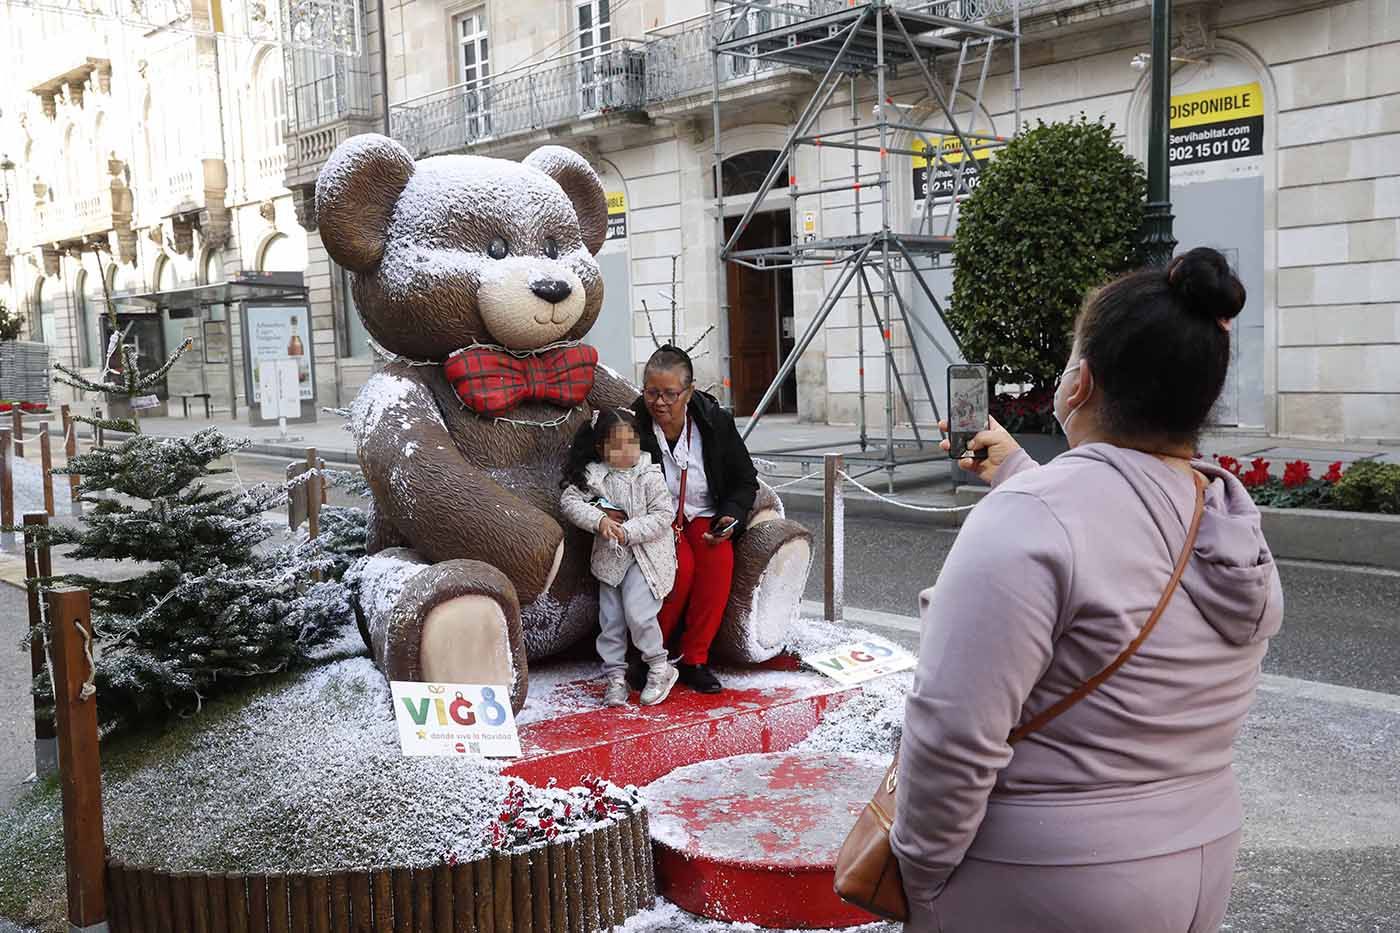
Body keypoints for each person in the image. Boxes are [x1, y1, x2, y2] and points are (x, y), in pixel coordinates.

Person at [891, 247, 1285, 932]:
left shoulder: (1031, 518)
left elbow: (953, 734)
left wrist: (920, 876)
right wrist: (1023, 471)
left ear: (1082, 383)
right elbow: (1125, 544)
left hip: (1050, 878)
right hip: (1201, 857)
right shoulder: (1229, 516)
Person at [629, 345, 760, 694]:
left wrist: (730, 516)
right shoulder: (630, 425)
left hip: (702, 512)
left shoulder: (715, 422)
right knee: (679, 570)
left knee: (718, 560)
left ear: (689, 391)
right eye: (651, 392)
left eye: (670, 394)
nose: (659, 402)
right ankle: (649, 658)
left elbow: (745, 480)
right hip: (655, 521)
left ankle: (694, 659)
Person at [559, 408, 680, 707]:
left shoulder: (649, 474)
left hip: (646, 557)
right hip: (610, 562)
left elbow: (664, 515)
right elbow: (570, 501)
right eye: (617, 444)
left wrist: (628, 531)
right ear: (601, 448)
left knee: (639, 613)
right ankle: (615, 676)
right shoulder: (595, 475)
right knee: (611, 620)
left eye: (632, 442)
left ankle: (659, 666)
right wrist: (598, 521)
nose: (628, 451)